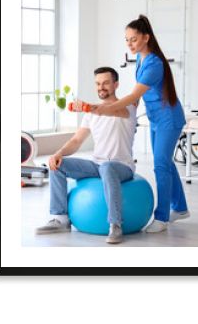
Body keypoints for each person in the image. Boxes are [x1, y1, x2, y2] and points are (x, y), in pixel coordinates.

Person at [92, 15, 190, 233]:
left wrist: (106, 108)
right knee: (165, 162)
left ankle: (162, 217)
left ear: (146, 38)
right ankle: (180, 208)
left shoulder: (154, 63)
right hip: (156, 118)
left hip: (168, 119)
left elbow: (134, 94)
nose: (129, 44)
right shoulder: (140, 59)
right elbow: (137, 98)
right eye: (127, 39)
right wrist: (128, 115)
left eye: (133, 39)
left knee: (161, 165)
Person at [36, 67, 137, 244]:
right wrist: (57, 153)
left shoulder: (127, 107)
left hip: (122, 166)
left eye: (106, 83)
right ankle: (60, 219)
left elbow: (112, 110)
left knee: (107, 167)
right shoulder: (91, 114)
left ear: (116, 84)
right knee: (57, 164)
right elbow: (76, 141)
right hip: (97, 165)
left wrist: (88, 107)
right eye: (98, 83)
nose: (101, 87)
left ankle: (115, 224)